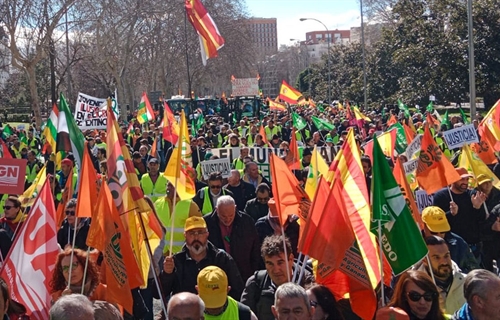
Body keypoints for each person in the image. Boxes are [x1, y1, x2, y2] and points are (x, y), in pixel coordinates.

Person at [159, 216, 244, 301]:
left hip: (216, 311)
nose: (196, 237)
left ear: (207, 234)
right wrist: (167, 274)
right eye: (191, 233)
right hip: (186, 311)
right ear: (185, 235)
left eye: (200, 232)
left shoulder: (221, 258)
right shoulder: (176, 261)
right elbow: (158, 294)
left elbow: (238, 290)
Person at [241, 235, 315, 320]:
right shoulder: (256, 284)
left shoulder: (309, 283)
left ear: (290, 259)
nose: (276, 270)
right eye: (270, 264)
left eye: (280, 262)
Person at [432, 167, 487, 260]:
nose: (465, 182)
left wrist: (477, 207)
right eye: (462, 179)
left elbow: (482, 219)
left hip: (473, 246)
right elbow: (436, 221)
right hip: (453, 246)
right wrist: (451, 213)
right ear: (453, 179)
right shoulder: (441, 196)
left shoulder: (473, 195)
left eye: (467, 179)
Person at [204, 196, 260, 282]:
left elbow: (255, 249)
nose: (227, 219)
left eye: (231, 215)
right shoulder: (207, 223)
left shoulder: (246, 222)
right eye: (223, 216)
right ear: (216, 210)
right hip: (215, 276)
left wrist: (253, 272)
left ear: (235, 208)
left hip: (243, 275)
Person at [415, 236, 466, 314]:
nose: (444, 262)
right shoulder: (415, 287)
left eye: (446, 256)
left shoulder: (466, 282)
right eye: (437, 257)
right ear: (424, 260)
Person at [421, 206, 479, 273]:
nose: (439, 235)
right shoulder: (413, 245)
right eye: (434, 232)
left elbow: (475, 271)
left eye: (443, 231)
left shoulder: (459, 244)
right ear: (423, 225)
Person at [155, 182, 202, 255]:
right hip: (161, 253)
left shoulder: (189, 205)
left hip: (182, 254)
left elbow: (200, 230)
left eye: (172, 186)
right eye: (167, 185)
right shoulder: (158, 203)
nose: (168, 188)